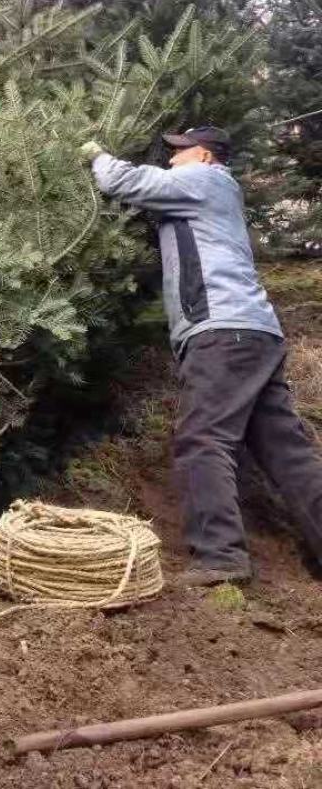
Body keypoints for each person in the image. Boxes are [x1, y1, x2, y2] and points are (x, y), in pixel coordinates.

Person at [80, 125, 322, 586]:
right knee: (288, 453)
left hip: (223, 332)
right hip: (254, 333)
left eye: (179, 153)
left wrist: (96, 155)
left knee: (203, 440)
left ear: (207, 157)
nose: (171, 160)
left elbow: (126, 182)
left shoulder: (206, 181)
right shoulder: (209, 192)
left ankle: (221, 559)